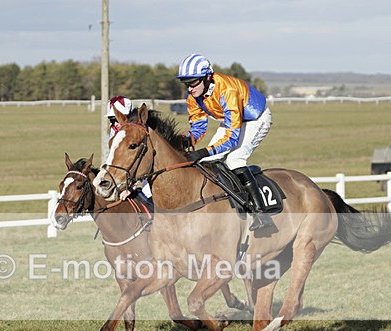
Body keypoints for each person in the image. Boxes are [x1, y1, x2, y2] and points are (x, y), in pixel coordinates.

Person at [176, 53, 274, 230]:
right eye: (186, 84)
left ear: (207, 78)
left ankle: (261, 214)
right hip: (232, 121)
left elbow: (232, 138)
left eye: (193, 83)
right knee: (205, 163)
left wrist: (204, 150)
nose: (190, 89)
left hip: (255, 118)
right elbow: (198, 126)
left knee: (234, 159)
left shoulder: (227, 90)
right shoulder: (193, 96)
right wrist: (185, 140)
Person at [107, 95, 153, 205]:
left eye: (118, 118)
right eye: (112, 120)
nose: (116, 123)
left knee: (148, 194)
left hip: (149, 172)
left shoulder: (142, 129)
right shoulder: (115, 132)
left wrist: (132, 186)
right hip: (129, 175)